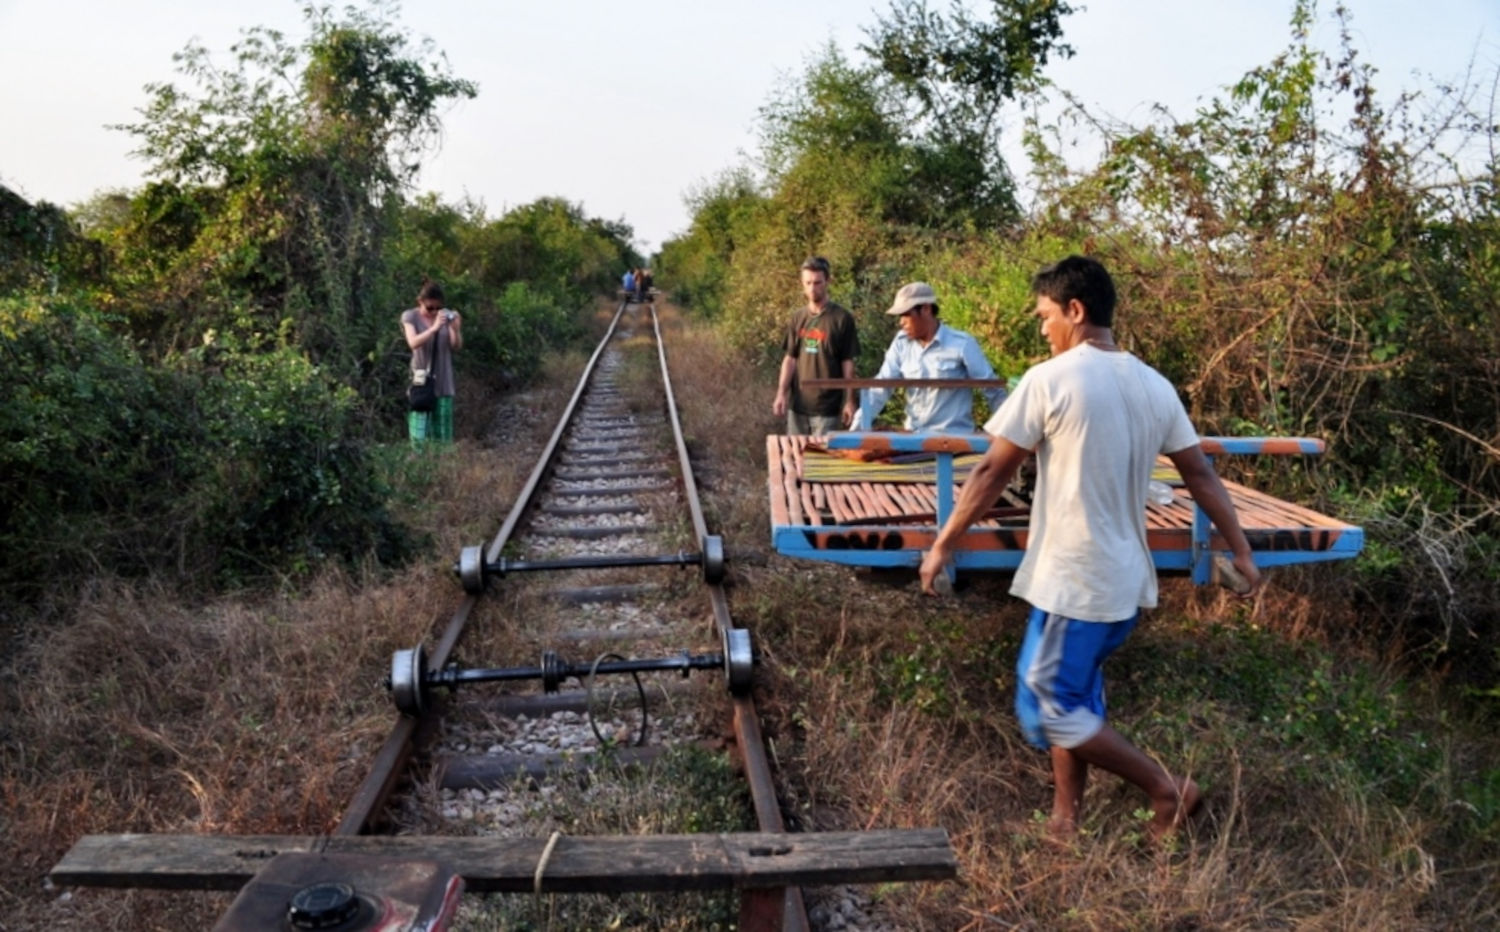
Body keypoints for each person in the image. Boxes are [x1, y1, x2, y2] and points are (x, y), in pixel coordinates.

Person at [918, 256, 1262, 840]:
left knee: (1048, 704)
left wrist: (942, 543)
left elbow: (989, 475)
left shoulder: (1049, 380)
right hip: (1122, 583)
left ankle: (1168, 790)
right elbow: (1200, 476)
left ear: (1075, 312)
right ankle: (1064, 821)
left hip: (1075, 582)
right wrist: (1243, 550)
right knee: (1074, 697)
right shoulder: (1154, 385)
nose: (1042, 329)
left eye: (1046, 317)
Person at [855, 281, 1007, 432]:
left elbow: (992, 389)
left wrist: (1008, 433)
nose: (901, 322)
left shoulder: (962, 344)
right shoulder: (901, 344)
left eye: (907, 314)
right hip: (914, 439)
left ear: (926, 309)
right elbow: (881, 388)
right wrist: (855, 429)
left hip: (953, 441)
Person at [772, 256, 860, 435]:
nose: (813, 288)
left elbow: (848, 363)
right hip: (798, 407)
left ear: (828, 281)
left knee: (822, 461)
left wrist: (850, 401)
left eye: (818, 282)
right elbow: (790, 359)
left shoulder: (842, 318)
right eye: (808, 283)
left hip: (827, 409)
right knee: (796, 460)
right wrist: (781, 393)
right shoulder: (798, 318)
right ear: (802, 283)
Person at [400, 279, 463, 447]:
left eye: (437, 308)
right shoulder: (410, 316)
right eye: (429, 308)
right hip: (421, 382)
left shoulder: (444, 317)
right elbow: (413, 342)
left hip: (443, 381)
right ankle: (420, 469)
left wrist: (455, 329)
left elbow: (455, 346)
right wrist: (434, 328)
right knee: (419, 437)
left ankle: (442, 469)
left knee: (442, 438)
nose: (434, 312)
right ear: (420, 302)